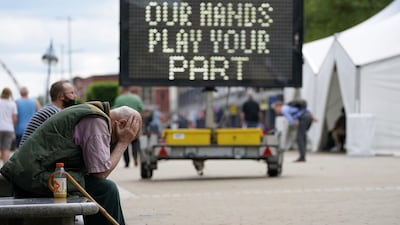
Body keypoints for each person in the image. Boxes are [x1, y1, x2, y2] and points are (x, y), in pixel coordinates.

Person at [0, 101, 142, 225]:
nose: (133, 136)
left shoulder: (94, 114)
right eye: (134, 131)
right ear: (122, 124)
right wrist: (124, 142)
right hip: (33, 176)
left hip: (35, 172)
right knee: (104, 189)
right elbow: (100, 174)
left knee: (99, 187)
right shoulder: (96, 122)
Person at [19, 80, 77, 146]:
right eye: (72, 93)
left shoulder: (50, 109)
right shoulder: (54, 113)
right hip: (31, 154)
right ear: (61, 96)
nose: (75, 96)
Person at [114, 87, 144, 168]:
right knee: (135, 142)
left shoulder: (119, 99)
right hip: (135, 122)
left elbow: (115, 110)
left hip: (123, 124)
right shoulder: (136, 98)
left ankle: (127, 162)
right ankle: (135, 158)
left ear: (123, 90)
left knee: (124, 142)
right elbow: (141, 109)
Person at [0, 88, 18, 164]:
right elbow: (14, 118)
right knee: (6, 149)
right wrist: (12, 127)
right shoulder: (12, 104)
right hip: (9, 128)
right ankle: (4, 170)